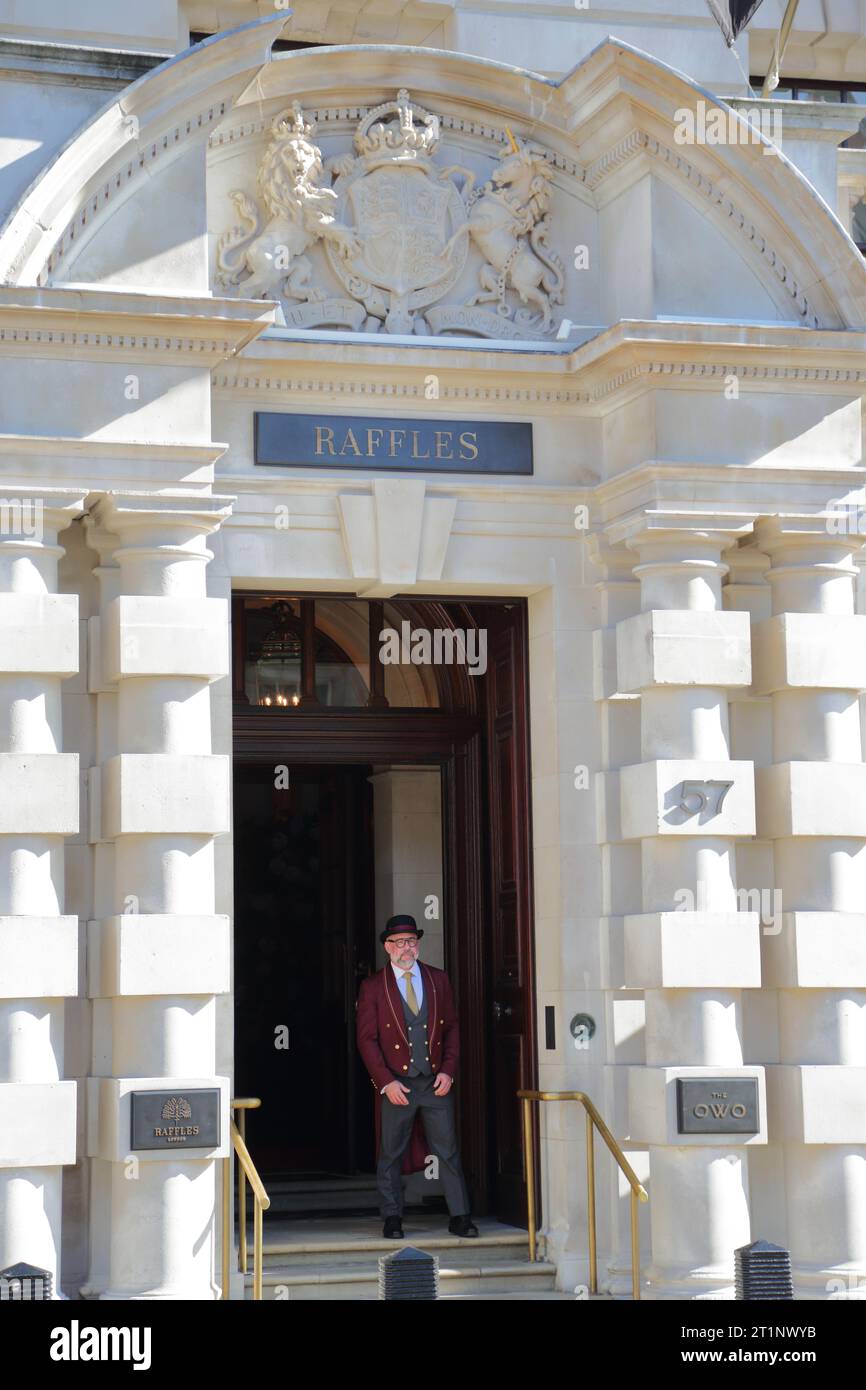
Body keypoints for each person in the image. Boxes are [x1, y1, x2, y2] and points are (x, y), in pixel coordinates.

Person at [356, 914, 478, 1239]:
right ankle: (393, 1217)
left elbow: (451, 1027)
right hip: (398, 1083)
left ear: (418, 944)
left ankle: (460, 1216)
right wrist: (385, 1082)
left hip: (434, 1081)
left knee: (448, 1149)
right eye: (399, 942)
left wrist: (450, 1071)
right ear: (387, 947)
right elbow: (366, 1040)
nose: (406, 948)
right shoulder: (373, 987)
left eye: (411, 941)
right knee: (391, 1151)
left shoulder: (438, 979)